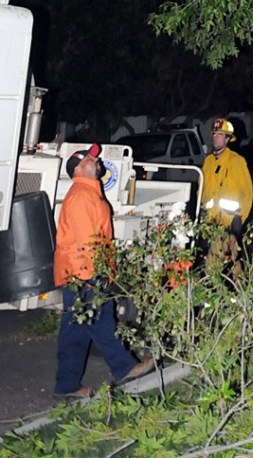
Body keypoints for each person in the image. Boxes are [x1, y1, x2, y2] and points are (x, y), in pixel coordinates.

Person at [53, 142, 154, 400]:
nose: (97, 161)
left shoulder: (88, 193)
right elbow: (89, 242)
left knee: (75, 332)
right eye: (90, 158)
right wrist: (99, 272)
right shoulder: (82, 196)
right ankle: (125, 368)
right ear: (78, 168)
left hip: (78, 272)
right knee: (100, 321)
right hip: (83, 272)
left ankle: (67, 385)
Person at [200, 118, 253, 264]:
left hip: (230, 223)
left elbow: (247, 193)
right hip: (211, 224)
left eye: (220, 135)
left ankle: (239, 284)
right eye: (214, 134)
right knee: (210, 263)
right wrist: (202, 211)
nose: (215, 137)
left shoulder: (237, 161)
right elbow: (202, 190)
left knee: (232, 263)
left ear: (228, 138)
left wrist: (239, 218)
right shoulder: (208, 162)